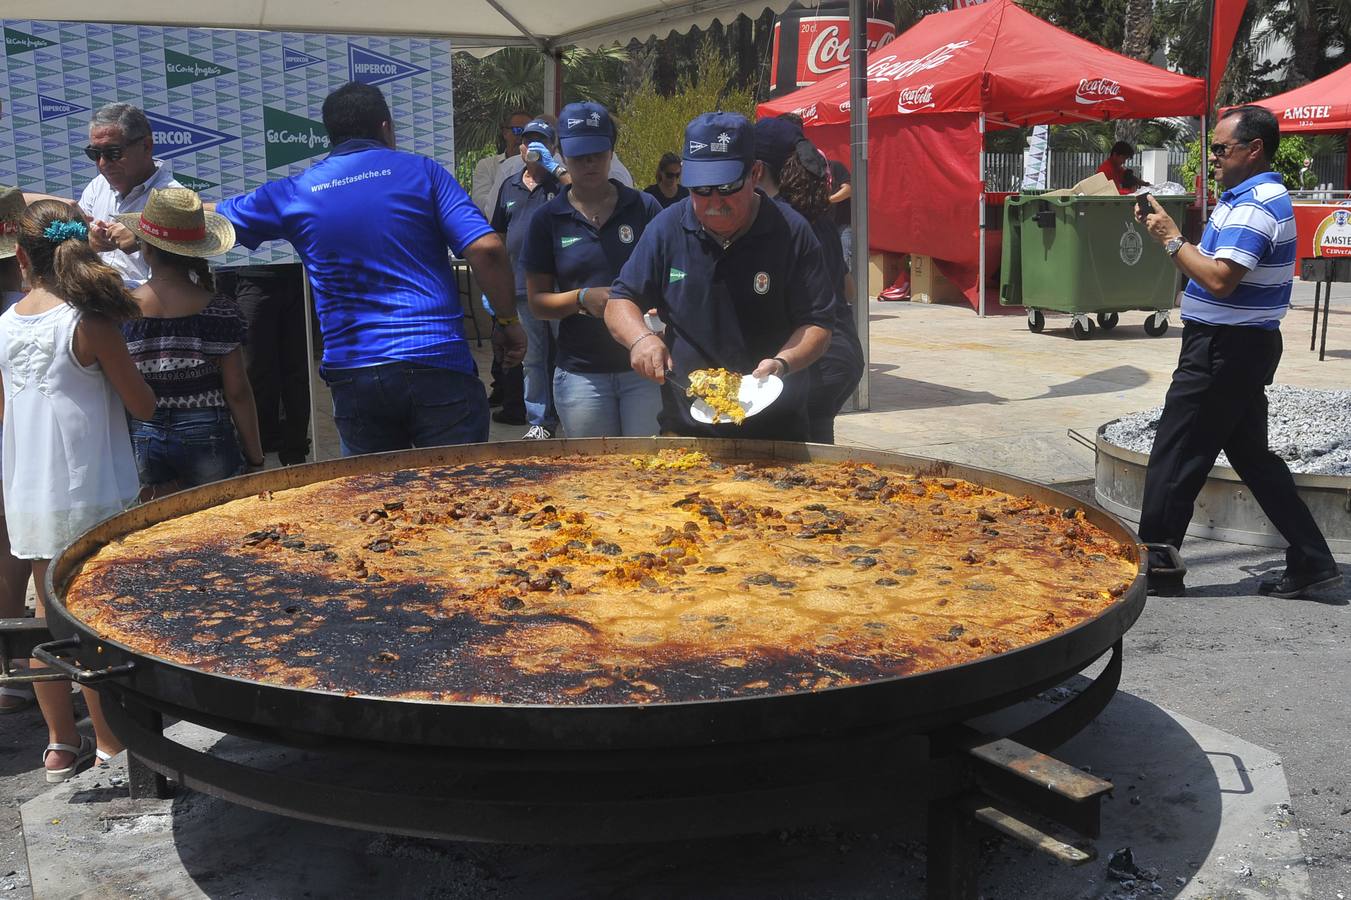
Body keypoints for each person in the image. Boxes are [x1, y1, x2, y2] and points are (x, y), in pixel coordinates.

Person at [212, 82, 524, 455]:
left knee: (375, 503)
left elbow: (206, 218)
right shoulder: (423, 173)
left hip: (356, 371)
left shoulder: (296, 193)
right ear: (386, 126)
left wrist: (138, 225)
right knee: (461, 501)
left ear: (331, 136)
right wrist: (506, 322)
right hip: (436, 361)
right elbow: (488, 250)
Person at [1136, 105, 1340, 600]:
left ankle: (1155, 563)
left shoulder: (1255, 205)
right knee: (1252, 458)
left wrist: (1168, 236)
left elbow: (1219, 279)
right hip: (1239, 345)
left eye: (1222, 149)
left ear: (1254, 149)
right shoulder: (1247, 197)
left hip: (1224, 348)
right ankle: (1313, 561)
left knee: (1176, 451)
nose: (1213, 158)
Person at [0, 201, 155, 780]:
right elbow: (141, 402)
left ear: (21, 258)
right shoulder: (88, 322)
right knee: (93, 623)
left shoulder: (4, 325)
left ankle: (61, 744)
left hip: (28, 494)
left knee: (47, 619)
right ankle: (113, 743)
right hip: (92, 488)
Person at [606, 112, 836, 442]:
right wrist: (640, 339)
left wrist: (783, 363)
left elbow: (818, 324)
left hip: (776, 429)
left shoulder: (791, 231)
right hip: (686, 427)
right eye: (700, 190)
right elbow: (620, 300)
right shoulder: (667, 227)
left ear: (755, 173)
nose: (714, 202)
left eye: (727, 187)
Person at [523, 102, 663, 438]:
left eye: (598, 154)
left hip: (641, 369)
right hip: (582, 374)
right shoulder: (547, 219)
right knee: (594, 476)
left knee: (647, 471)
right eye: (579, 155)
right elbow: (537, 303)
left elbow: (670, 278)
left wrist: (661, 311)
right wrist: (581, 298)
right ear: (560, 155)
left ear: (612, 153)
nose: (589, 163)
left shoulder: (643, 207)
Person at [113, 188, 264, 497]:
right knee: (218, 523)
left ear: (147, 250)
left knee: (158, 530)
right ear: (197, 251)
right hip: (207, 432)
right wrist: (256, 458)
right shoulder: (221, 311)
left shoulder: (121, 310)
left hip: (145, 432)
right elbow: (237, 391)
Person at [753, 118, 864, 444]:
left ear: (756, 170)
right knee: (818, 450)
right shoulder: (818, 215)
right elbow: (850, 290)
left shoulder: (777, 222)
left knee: (801, 460)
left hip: (815, 361)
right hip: (845, 352)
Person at [491, 118, 566, 439]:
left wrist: (557, 169)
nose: (530, 147)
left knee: (566, 354)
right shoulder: (509, 185)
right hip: (521, 287)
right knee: (533, 359)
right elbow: (498, 235)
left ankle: (570, 415)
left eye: (539, 142)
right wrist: (496, 286)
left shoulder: (561, 184)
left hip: (560, 287)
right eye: (526, 141)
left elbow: (585, 196)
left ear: (551, 148)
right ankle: (540, 421)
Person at [77, 103, 183, 289]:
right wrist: (88, 242)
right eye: (95, 154)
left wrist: (143, 238)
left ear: (146, 146)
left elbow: (173, 287)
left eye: (113, 153)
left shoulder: (174, 198)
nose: (102, 163)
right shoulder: (98, 186)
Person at [214, 263, 311, 466]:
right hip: (249, 274)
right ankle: (258, 448)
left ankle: (294, 448)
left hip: (298, 273)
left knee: (298, 371)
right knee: (255, 369)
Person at [0, 186, 33, 715]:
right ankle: (15, 671)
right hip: (16, 434)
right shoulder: (18, 308)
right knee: (13, 545)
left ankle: (11, 672)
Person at [472, 110, 532, 217]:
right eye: (517, 130)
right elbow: (481, 205)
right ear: (505, 133)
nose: (523, 137)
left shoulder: (541, 168)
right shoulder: (487, 166)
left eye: (529, 132)